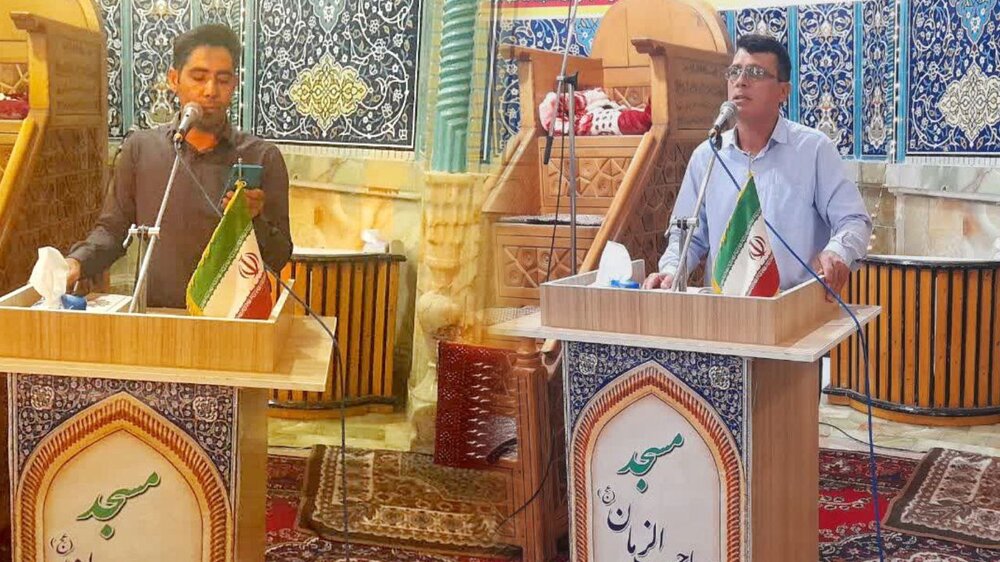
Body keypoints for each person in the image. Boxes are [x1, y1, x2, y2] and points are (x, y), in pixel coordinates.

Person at [66, 24, 292, 308]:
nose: (210, 91)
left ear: (234, 84)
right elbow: (112, 232)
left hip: (232, 321)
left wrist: (252, 221)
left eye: (223, 80)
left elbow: (279, 255)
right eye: (198, 77)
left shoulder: (262, 157)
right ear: (174, 79)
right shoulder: (141, 149)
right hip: (157, 317)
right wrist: (76, 262)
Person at [643, 34, 871, 301]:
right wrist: (671, 271)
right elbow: (687, 236)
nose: (740, 81)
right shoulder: (708, 155)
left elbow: (854, 220)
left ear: (783, 91)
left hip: (794, 307)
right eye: (734, 72)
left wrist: (837, 252)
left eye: (755, 73)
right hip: (725, 308)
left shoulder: (813, 150)